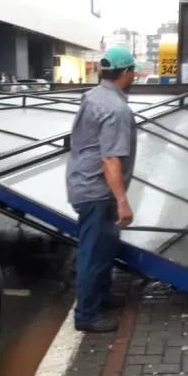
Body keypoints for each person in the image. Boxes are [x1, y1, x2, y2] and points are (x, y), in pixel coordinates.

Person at [66, 46, 137, 333]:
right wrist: (122, 200)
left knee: (104, 248)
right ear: (126, 73)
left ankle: (101, 297)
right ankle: (86, 315)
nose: (134, 76)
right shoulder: (116, 108)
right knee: (93, 254)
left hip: (84, 182)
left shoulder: (93, 96)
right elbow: (110, 158)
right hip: (97, 190)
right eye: (133, 72)